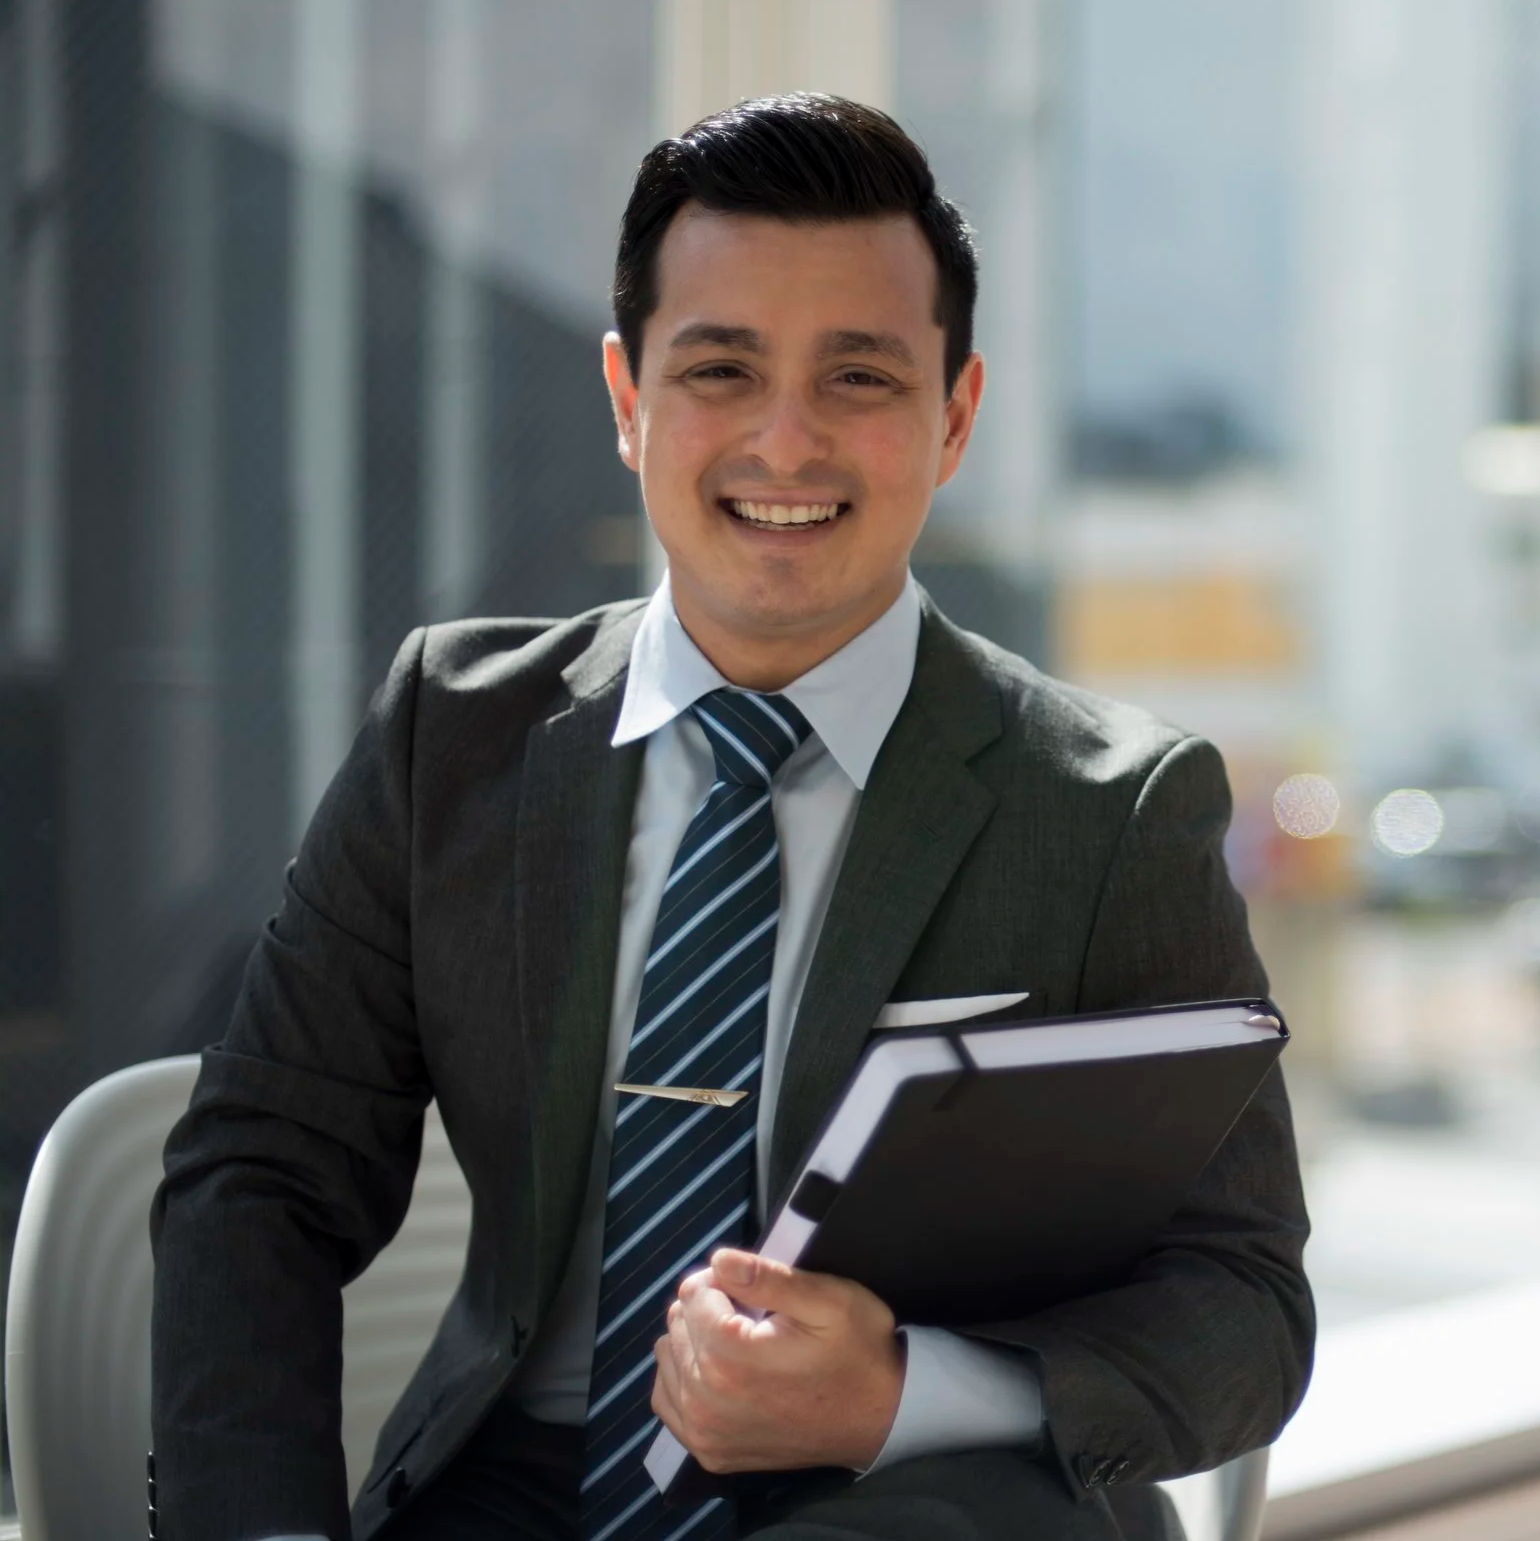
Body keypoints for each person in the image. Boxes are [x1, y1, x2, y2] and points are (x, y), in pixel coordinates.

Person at [150, 94, 1313, 1541]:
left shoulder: (1109, 808)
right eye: (721, 368)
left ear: (954, 417)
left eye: (860, 378)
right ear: (630, 400)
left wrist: (902, 1392)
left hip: (921, 1501)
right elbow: (259, 1172)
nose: (785, 441)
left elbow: (1247, 1306)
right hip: (513, 1495)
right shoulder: (450, 732)